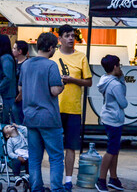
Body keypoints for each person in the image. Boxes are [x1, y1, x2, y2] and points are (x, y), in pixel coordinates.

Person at [19, 32, 65, 192]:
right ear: (51, 47)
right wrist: (62, 84)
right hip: (49, 117)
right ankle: (57, 188)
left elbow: (20, 89)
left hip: (30, 116)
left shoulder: (25, 65)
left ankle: (36, 187)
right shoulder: (51, 65)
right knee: (56, 156)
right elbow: (54, 90)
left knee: (35, 157)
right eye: (56, 47)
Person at [51, 24, 92, 191]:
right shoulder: (52, 57)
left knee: (71, 146)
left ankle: (68, 180)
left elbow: (89, 82)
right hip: (55, 108)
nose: (70, 39)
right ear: (59, 38)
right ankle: (55, 180)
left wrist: (73, 80)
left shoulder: (81, 57)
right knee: (55, 147)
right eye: (67, 36)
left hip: (73, 109)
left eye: (72, 36)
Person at [95, 55, 128, 192]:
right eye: (119, 65)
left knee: (115, 149)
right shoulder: (114, 84)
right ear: (115, 67)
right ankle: (101, 180)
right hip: (114, 119)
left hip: (108, 116)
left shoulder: (105, 80)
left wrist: (120, 78)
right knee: (111, 150)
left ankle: (113, 178)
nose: (120, 68)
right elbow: (123, 103)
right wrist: (122, 80)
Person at [0, 34, 17, 124]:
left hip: (5, 98)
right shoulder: (4, 58)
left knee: (3, 126)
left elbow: (8, 77)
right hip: (3, 97)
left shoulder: (6, 58)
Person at [11, 40, 28, 125]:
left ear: (20, 51)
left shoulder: (26, 64)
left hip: (20, 99)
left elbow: (26, 82)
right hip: (13, 97)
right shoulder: (14, 63)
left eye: (14, 48)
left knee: (19, 123)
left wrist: (19, 96)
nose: (12, 50)